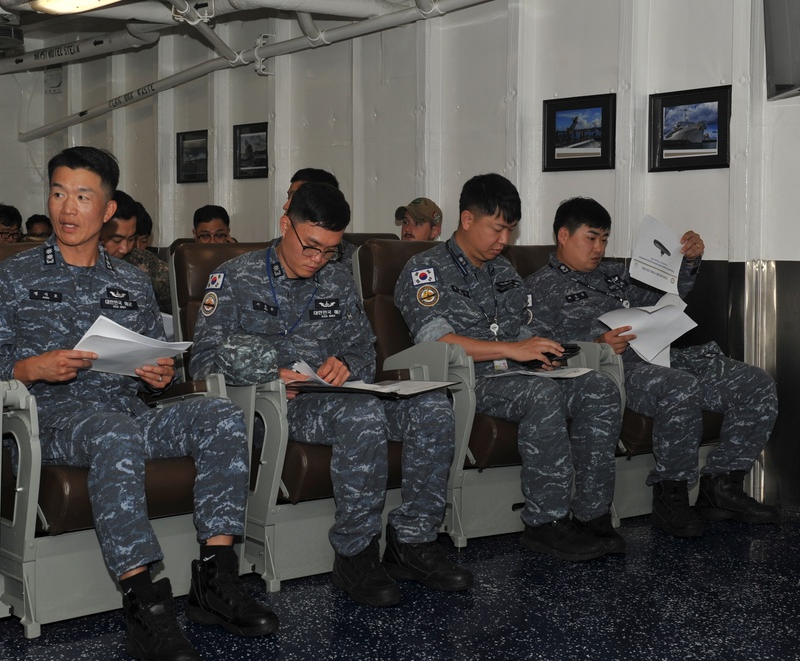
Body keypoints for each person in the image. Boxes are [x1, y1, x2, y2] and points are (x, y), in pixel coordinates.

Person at [0, 146, 277, 661]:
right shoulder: (12, 277)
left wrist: (159, 373)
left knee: (220, 414)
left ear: (107, 210)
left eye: (83, 196)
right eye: (59, 193)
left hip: (128, 413)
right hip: (46, 420)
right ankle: (146, 605)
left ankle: (216, 580)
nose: (68, 208)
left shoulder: (131, 281)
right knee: (114, 431)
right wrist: (31, 367)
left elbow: (158, 369)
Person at [190, 181, 472, 608]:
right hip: (274, 406)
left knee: (431, 408)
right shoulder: (234, 277)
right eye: (311, 247)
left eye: (329, 250)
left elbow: (364, 350)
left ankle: (412, 540)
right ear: (286, 224)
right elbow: (203, 360)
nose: (318, 259)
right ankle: (355, 553)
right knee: (360, 417)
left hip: (336, 394)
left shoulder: (336, 279)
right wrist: (267, 370)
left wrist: (345, 362)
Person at [394, 174, 623, 561]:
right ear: (467, 220)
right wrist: (514, 350)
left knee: (599, 387)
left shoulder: (503, 271)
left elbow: (527, 328)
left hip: (517, 373)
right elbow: (438, 342)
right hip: (467, 379)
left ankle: (590, 514)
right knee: (542, 393)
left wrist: (546, 352)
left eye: (510, 231)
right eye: (497, 229)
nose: (504, 241)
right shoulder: (425, 270)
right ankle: (545, 524)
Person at [524, 196, 780, 536]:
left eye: (604, 239)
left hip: (663, 356)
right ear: (563, 235)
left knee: (755, 382)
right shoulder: (538, 288)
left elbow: (668, 293)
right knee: (678, 385)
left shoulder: (615, 275)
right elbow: (538, 354)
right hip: (614, 371)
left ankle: (722, 486)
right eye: (591, 238)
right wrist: (595, 346)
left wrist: (688, 260)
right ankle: (670, 495)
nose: (599, 248)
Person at [100, 190, 171, 314]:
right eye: (117, 240)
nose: (125, 248)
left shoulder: (142, 261)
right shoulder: (73, 263)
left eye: (131, 239)